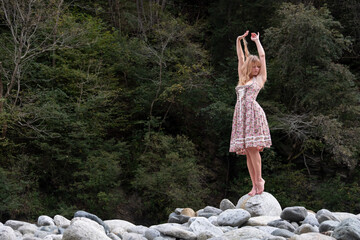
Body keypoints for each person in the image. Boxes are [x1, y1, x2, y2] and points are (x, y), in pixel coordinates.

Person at [229, 30, 272, 196]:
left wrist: (257, 41)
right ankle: (254, 185)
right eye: (253, 66)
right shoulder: (242, 77)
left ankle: (260, 179)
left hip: (253, 114)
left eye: (258, 67)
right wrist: (238, 40)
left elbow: (262, 56)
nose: (256, 68)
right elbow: (240, 58)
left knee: (253, 149)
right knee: (248, 151)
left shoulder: (259, 79)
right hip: (241, 116)